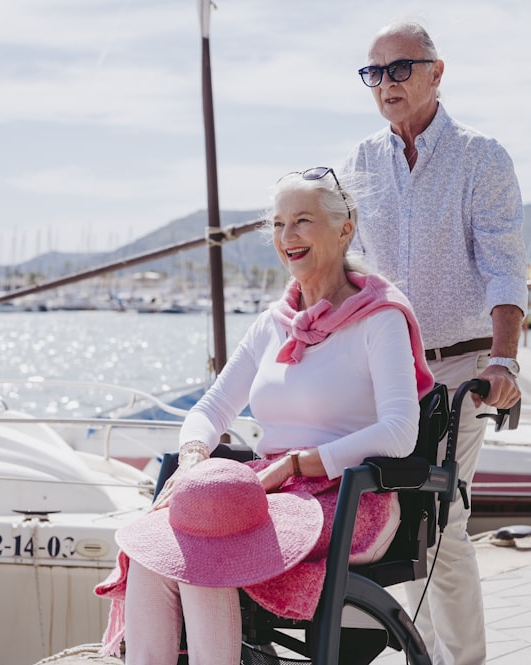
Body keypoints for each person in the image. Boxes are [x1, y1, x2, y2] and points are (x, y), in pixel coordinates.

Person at [94, 166, 436, 665]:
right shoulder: (272, 324)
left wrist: (297, 464)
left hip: (349, 497)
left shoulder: (379, 317)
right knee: (157, 549)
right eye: (278, 224)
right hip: (270, 495)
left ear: (345, 228)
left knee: (210, 547)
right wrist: (192, 460)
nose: (287, 237)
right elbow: (210, 408)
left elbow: (401, 433)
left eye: (302, 221)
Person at [344, 20, 528, 665]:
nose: (386, 84)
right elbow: (353, 269)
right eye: (374, 72)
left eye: (400, 69)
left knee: (441, 525)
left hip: (464, 368)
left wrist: (504, 361)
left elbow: (504, 265)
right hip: (385, 370)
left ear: (436, 72)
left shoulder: (482, 156)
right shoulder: (363, 161)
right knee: (383, 522)